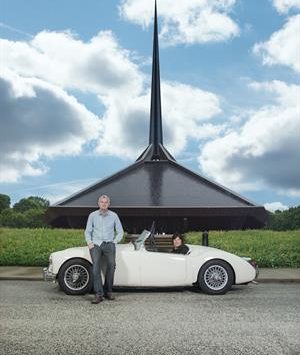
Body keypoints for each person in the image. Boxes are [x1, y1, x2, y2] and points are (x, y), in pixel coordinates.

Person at [85, 195, 124, 304]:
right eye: (102, 202)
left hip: (109, 244)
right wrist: (89, 242)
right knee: (96, 267)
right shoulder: (92, 215)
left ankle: (108, 291)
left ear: (109, 204)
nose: (104, 204)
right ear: (98, 203)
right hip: (96, 244)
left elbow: (120, 231)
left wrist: (114, 242)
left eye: (106, 202)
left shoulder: (114, 216)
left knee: (112, 265)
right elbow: (87, 231)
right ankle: (98, 294)